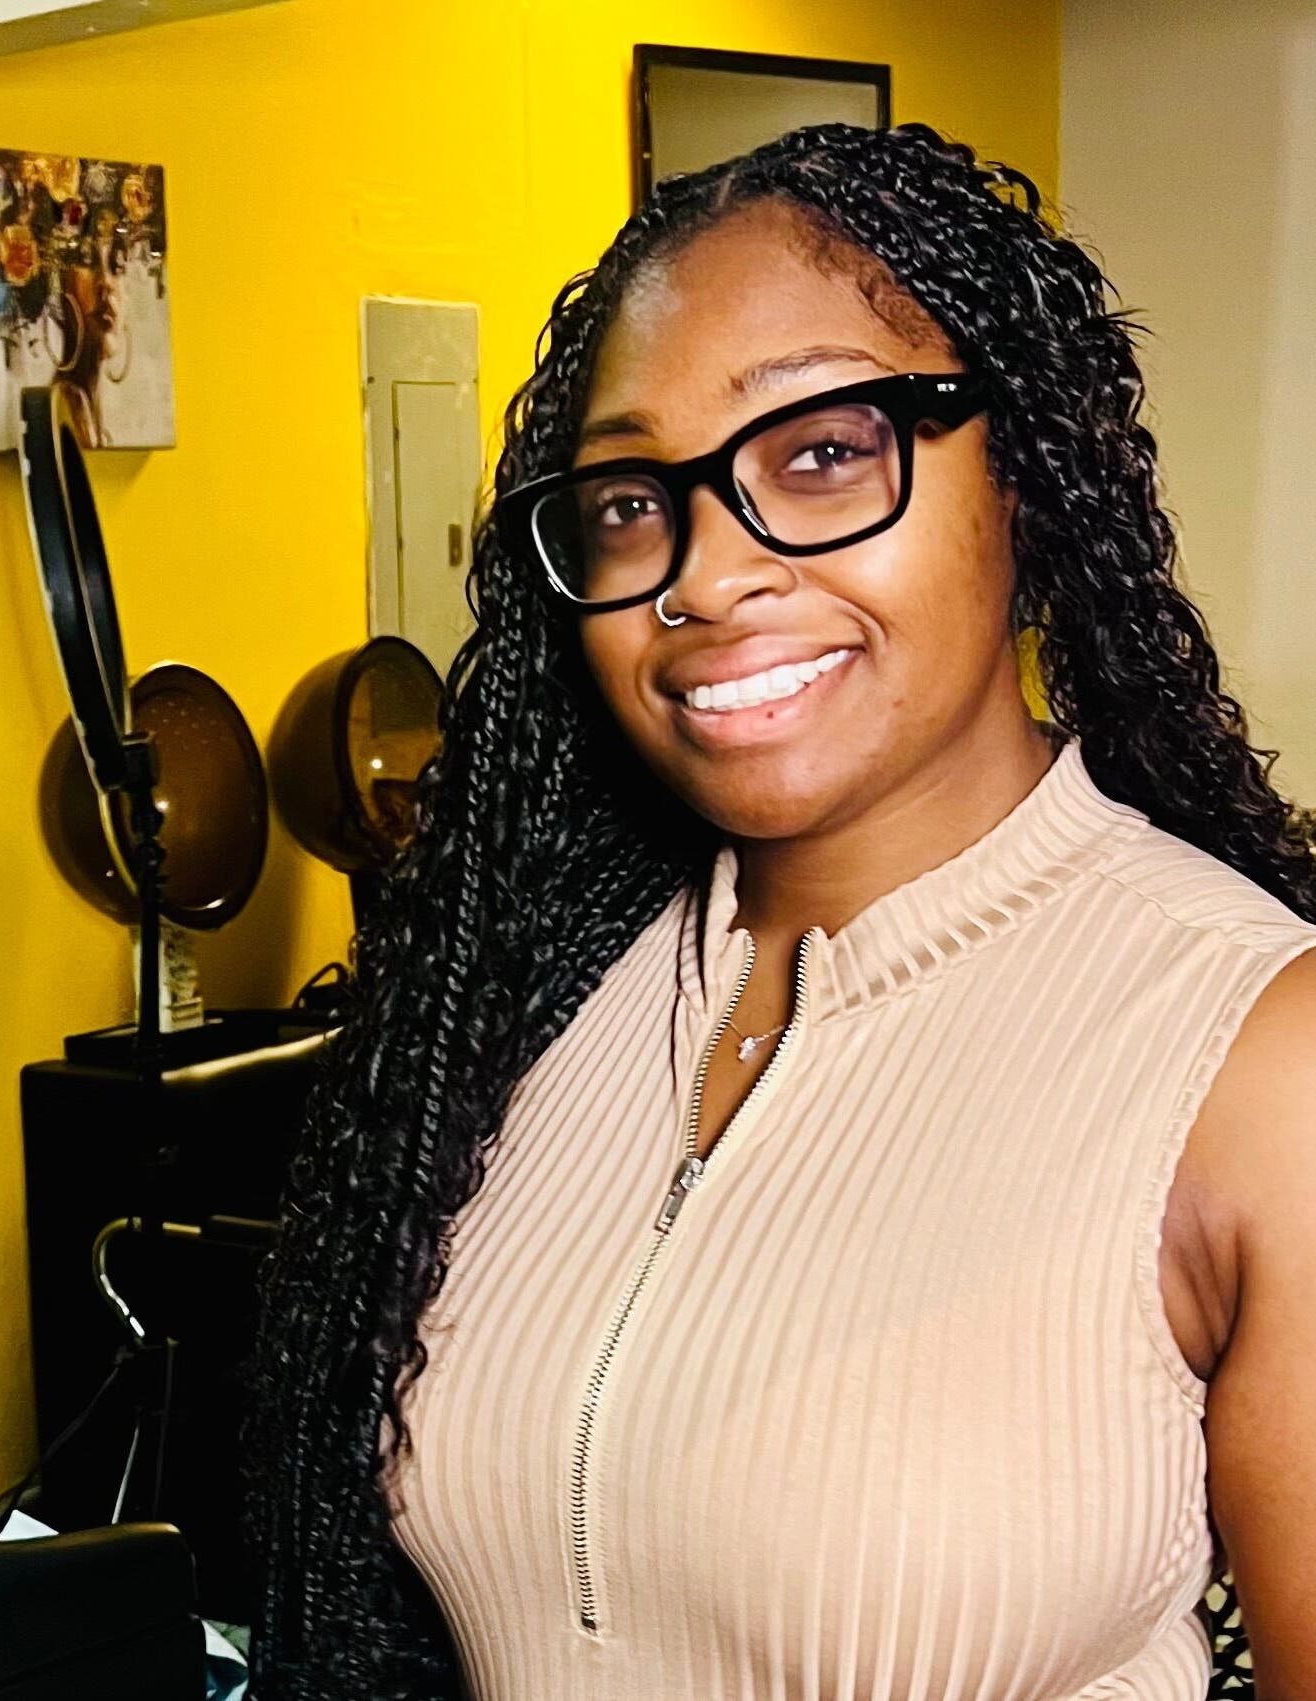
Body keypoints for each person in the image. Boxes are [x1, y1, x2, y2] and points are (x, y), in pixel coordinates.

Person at [244, 122, 1316, 1699]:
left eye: (818, 453)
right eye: (631, 501)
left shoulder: (1254, 1056)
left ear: (1023, 476)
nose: (704, 576)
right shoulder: (537, 995)